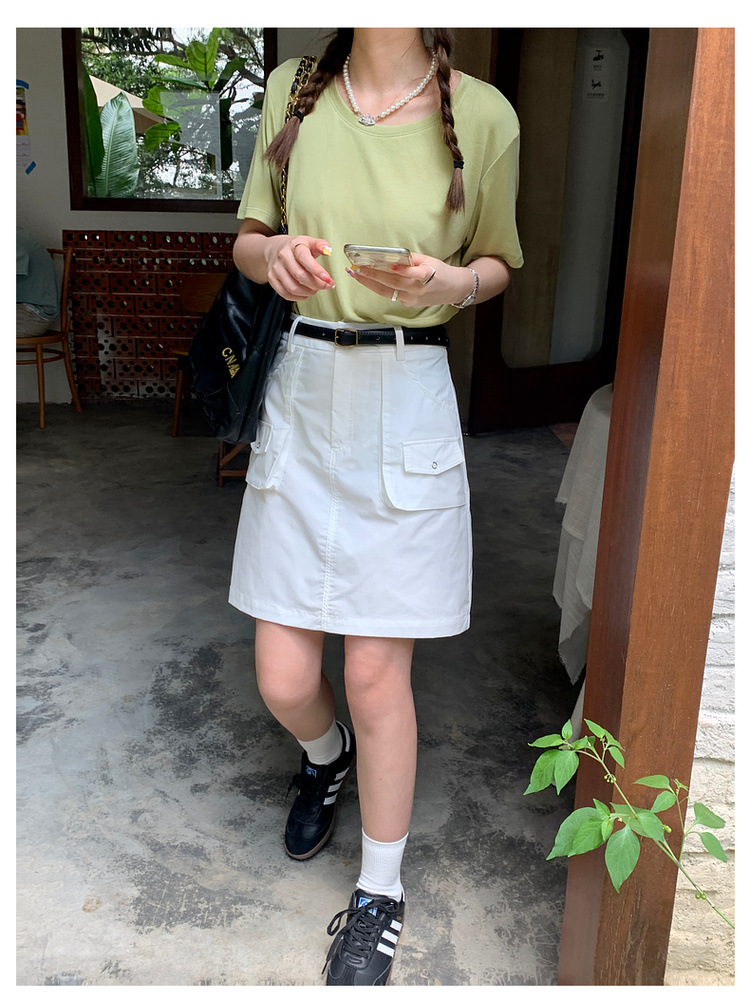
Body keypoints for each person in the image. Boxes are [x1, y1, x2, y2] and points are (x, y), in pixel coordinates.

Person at [228, 27, 523, 986]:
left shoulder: (483, 114)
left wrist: (452, 282)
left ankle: (379, 895)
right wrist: (272, 257)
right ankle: (326, 759)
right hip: (305, 383)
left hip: (408, 389)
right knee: (283, 677)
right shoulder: (294, 91)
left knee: (374, 675)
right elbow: (247, 239)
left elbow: (497, 261)